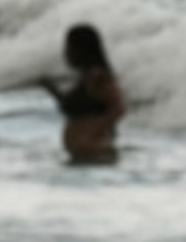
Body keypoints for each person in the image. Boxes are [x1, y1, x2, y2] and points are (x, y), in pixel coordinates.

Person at [40, 24, 125, 164]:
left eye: (69, 48)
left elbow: (118, 109)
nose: (66, 53)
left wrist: (92, 130)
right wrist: (51, 89)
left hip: (96, 154)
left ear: (82, 50)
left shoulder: (99, 76)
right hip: (83, 155)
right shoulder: (86, 77)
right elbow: (75, 110)